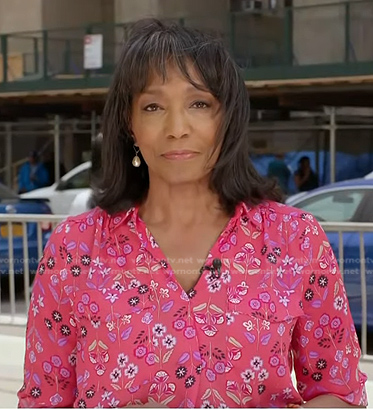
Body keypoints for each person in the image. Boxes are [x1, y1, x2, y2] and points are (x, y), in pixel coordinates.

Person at [18, 19, 367, 408]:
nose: (177, 128)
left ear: (227, 118)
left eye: (199, 103)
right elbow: (41, 400)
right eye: (153, 106)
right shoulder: (75, 248)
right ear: (129, 125)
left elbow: (340, 392)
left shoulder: (295, 238)